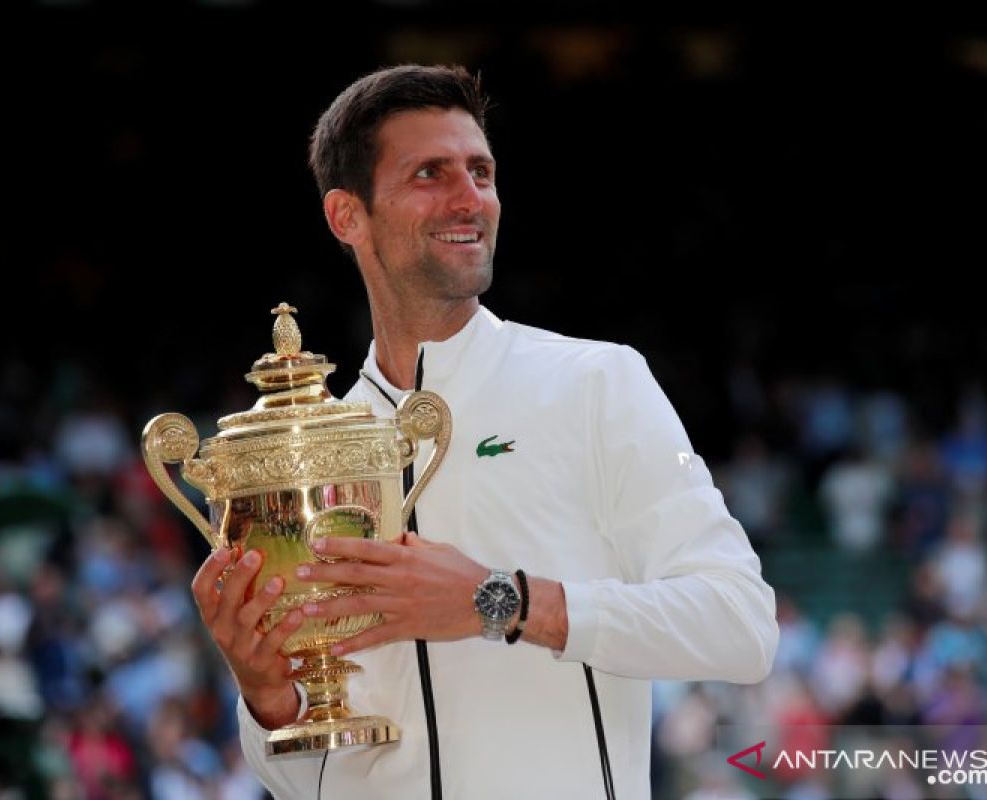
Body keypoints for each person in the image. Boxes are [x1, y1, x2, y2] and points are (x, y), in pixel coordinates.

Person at [190, 64, 778, 800]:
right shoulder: (312, 450)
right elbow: (306, 776)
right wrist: (268, 698)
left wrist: (501, 600)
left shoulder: (596, 383)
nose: (471, 198)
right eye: (430, 173)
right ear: (348, 216)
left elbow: (741, 626)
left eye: (482, 171)